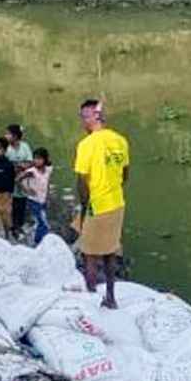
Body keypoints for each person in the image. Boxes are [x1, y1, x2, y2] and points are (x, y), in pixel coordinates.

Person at [72, 99, 130, 309]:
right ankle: (111, 297)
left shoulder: (86, 145)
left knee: (89, 254)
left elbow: (82, 181)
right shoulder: (120, 140)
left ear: (93, 117)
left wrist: (84, 208)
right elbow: (125, 174)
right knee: (110, 251)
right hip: (117, 203)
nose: (82, 122)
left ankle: (91, 300)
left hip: (97, 205)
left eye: (84, 117)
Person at [4, 124, 34, 239]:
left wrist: (22, 166)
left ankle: (19, 226)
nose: (6, 136)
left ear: (15, 136)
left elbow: (30, 162)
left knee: (21, 204)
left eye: (8, 134)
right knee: (9, 204)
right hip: (8, 180)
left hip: (22, 180)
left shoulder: (25, 146)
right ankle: (10, 227)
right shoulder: (5, 147)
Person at [21, 147, 53, 246]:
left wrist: (48, 197)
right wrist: (27, 189)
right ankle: (37, 241)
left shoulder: (48, 170)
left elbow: (47, 183)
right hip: (33, 200)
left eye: (39, 159)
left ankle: (34, 237)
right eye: (35, 158)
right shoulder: (32, 171)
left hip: (42, 200)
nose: (37, 161)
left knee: (40, 221)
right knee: (43, 223)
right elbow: (18, 179)